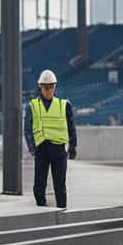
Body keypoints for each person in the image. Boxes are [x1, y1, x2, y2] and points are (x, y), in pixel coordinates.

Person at [23, 69, 77, 209]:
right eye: (46, 87)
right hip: (42, 148)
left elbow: (71, 126)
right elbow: (28, 127)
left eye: (52, 86)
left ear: (55, 86)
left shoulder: (64, 105)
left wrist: (73, 145)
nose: (49, 90)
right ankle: (41, 206)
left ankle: (61, 209)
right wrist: (31, 146)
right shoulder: (33, 106)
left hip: (59, 149)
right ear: (40, 87)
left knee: (60, 184)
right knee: (40, 183)